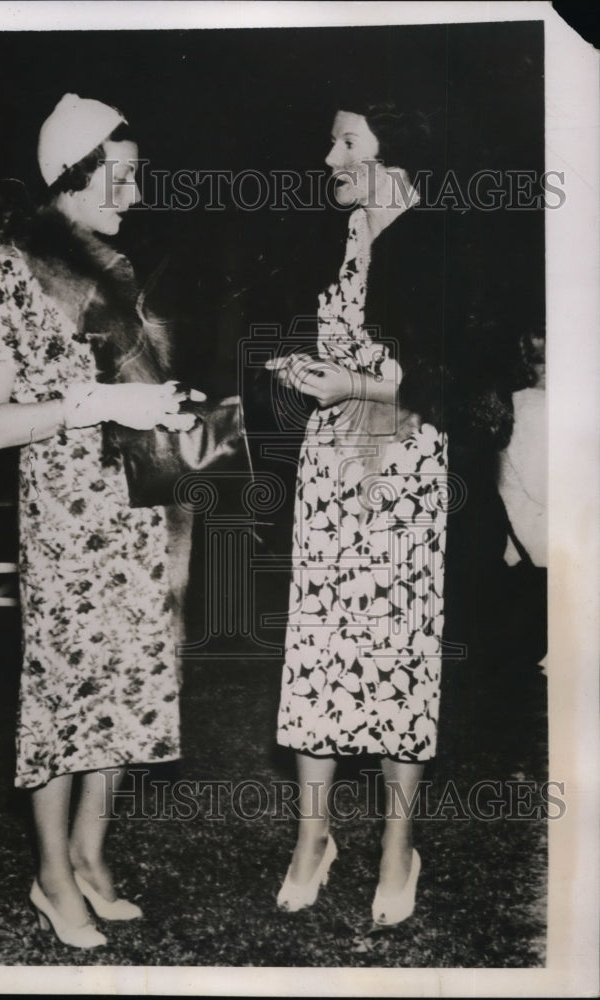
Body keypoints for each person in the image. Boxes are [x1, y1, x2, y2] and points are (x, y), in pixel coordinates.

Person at [0, 94, 200, 948]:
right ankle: (51, 877)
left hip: (134, 514)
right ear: (74, 174)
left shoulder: (111, 271)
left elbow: (121, 399)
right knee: (64, 702)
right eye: (122, 178)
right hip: (66, 525)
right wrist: (96, 399)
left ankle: (92, 859)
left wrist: (165, 410)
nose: (134, 196)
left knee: (124, 691)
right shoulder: (7, 270)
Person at [268, 103, 455, 925]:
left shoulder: (442, 237)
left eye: (348, 141)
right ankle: (313, 838)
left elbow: (452, 384)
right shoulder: (343, 236)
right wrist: (309, 372)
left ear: (395, 150)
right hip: (332, 467)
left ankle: (394, 845)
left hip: (405, 466)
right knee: (319, 648)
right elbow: (340, 349)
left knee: (396, 653)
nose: (329, 154)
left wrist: (356, 388)